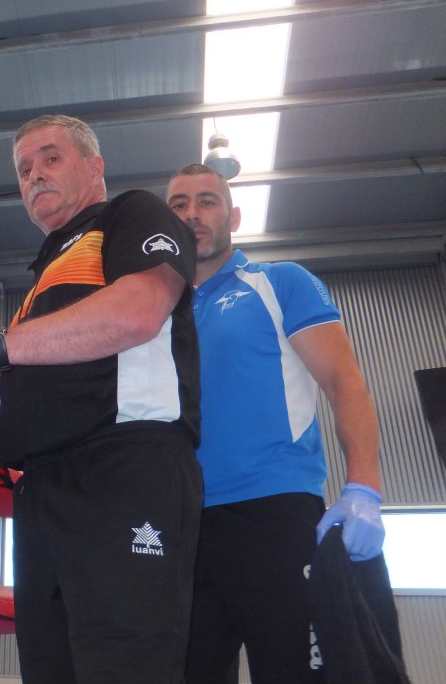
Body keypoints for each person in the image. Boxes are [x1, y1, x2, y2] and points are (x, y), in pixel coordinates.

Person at [0, 114, 202, 684]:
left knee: (124, 665)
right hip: (41, 489)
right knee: (51, 667)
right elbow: (43, 363)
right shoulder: (42, 280)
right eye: (24, 170)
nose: (35, 176)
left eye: (51, 159)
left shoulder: (131, 214)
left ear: (94, 166)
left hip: (123, 468)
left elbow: (138, 311)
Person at [165, 163, 386, 684]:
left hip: (274, 515)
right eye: (178, 205)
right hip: (184, 528)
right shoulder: (156, 317)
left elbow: (343, 381)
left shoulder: (279, 282)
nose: (192, 213)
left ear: (233, 216)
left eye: (206, 201)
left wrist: (364, 487)